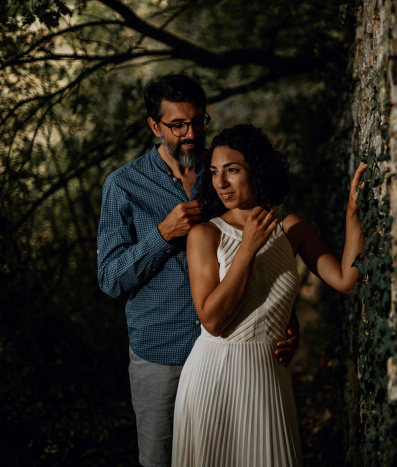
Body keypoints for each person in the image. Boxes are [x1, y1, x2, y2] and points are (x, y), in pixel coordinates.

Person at [97, 75, 300, 467]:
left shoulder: (225, 169)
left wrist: (286, 320)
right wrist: (161, 235)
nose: (191, 134)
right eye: (178, 125)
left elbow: (267, 251)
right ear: (154, 126)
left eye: (198, 121)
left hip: (234, 357)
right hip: (163, 355)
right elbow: (109, 279)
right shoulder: (123, 186)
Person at [171, 124, 367, 466]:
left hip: (268, 374)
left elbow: (347, 280)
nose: (220, 183)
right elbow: (213, 320)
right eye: (215, 172)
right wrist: (245, 250)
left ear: (257, 170)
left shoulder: (293, 230)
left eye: (232, 170)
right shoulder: (205, 235)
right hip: (214, 375)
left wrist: (353, 214)